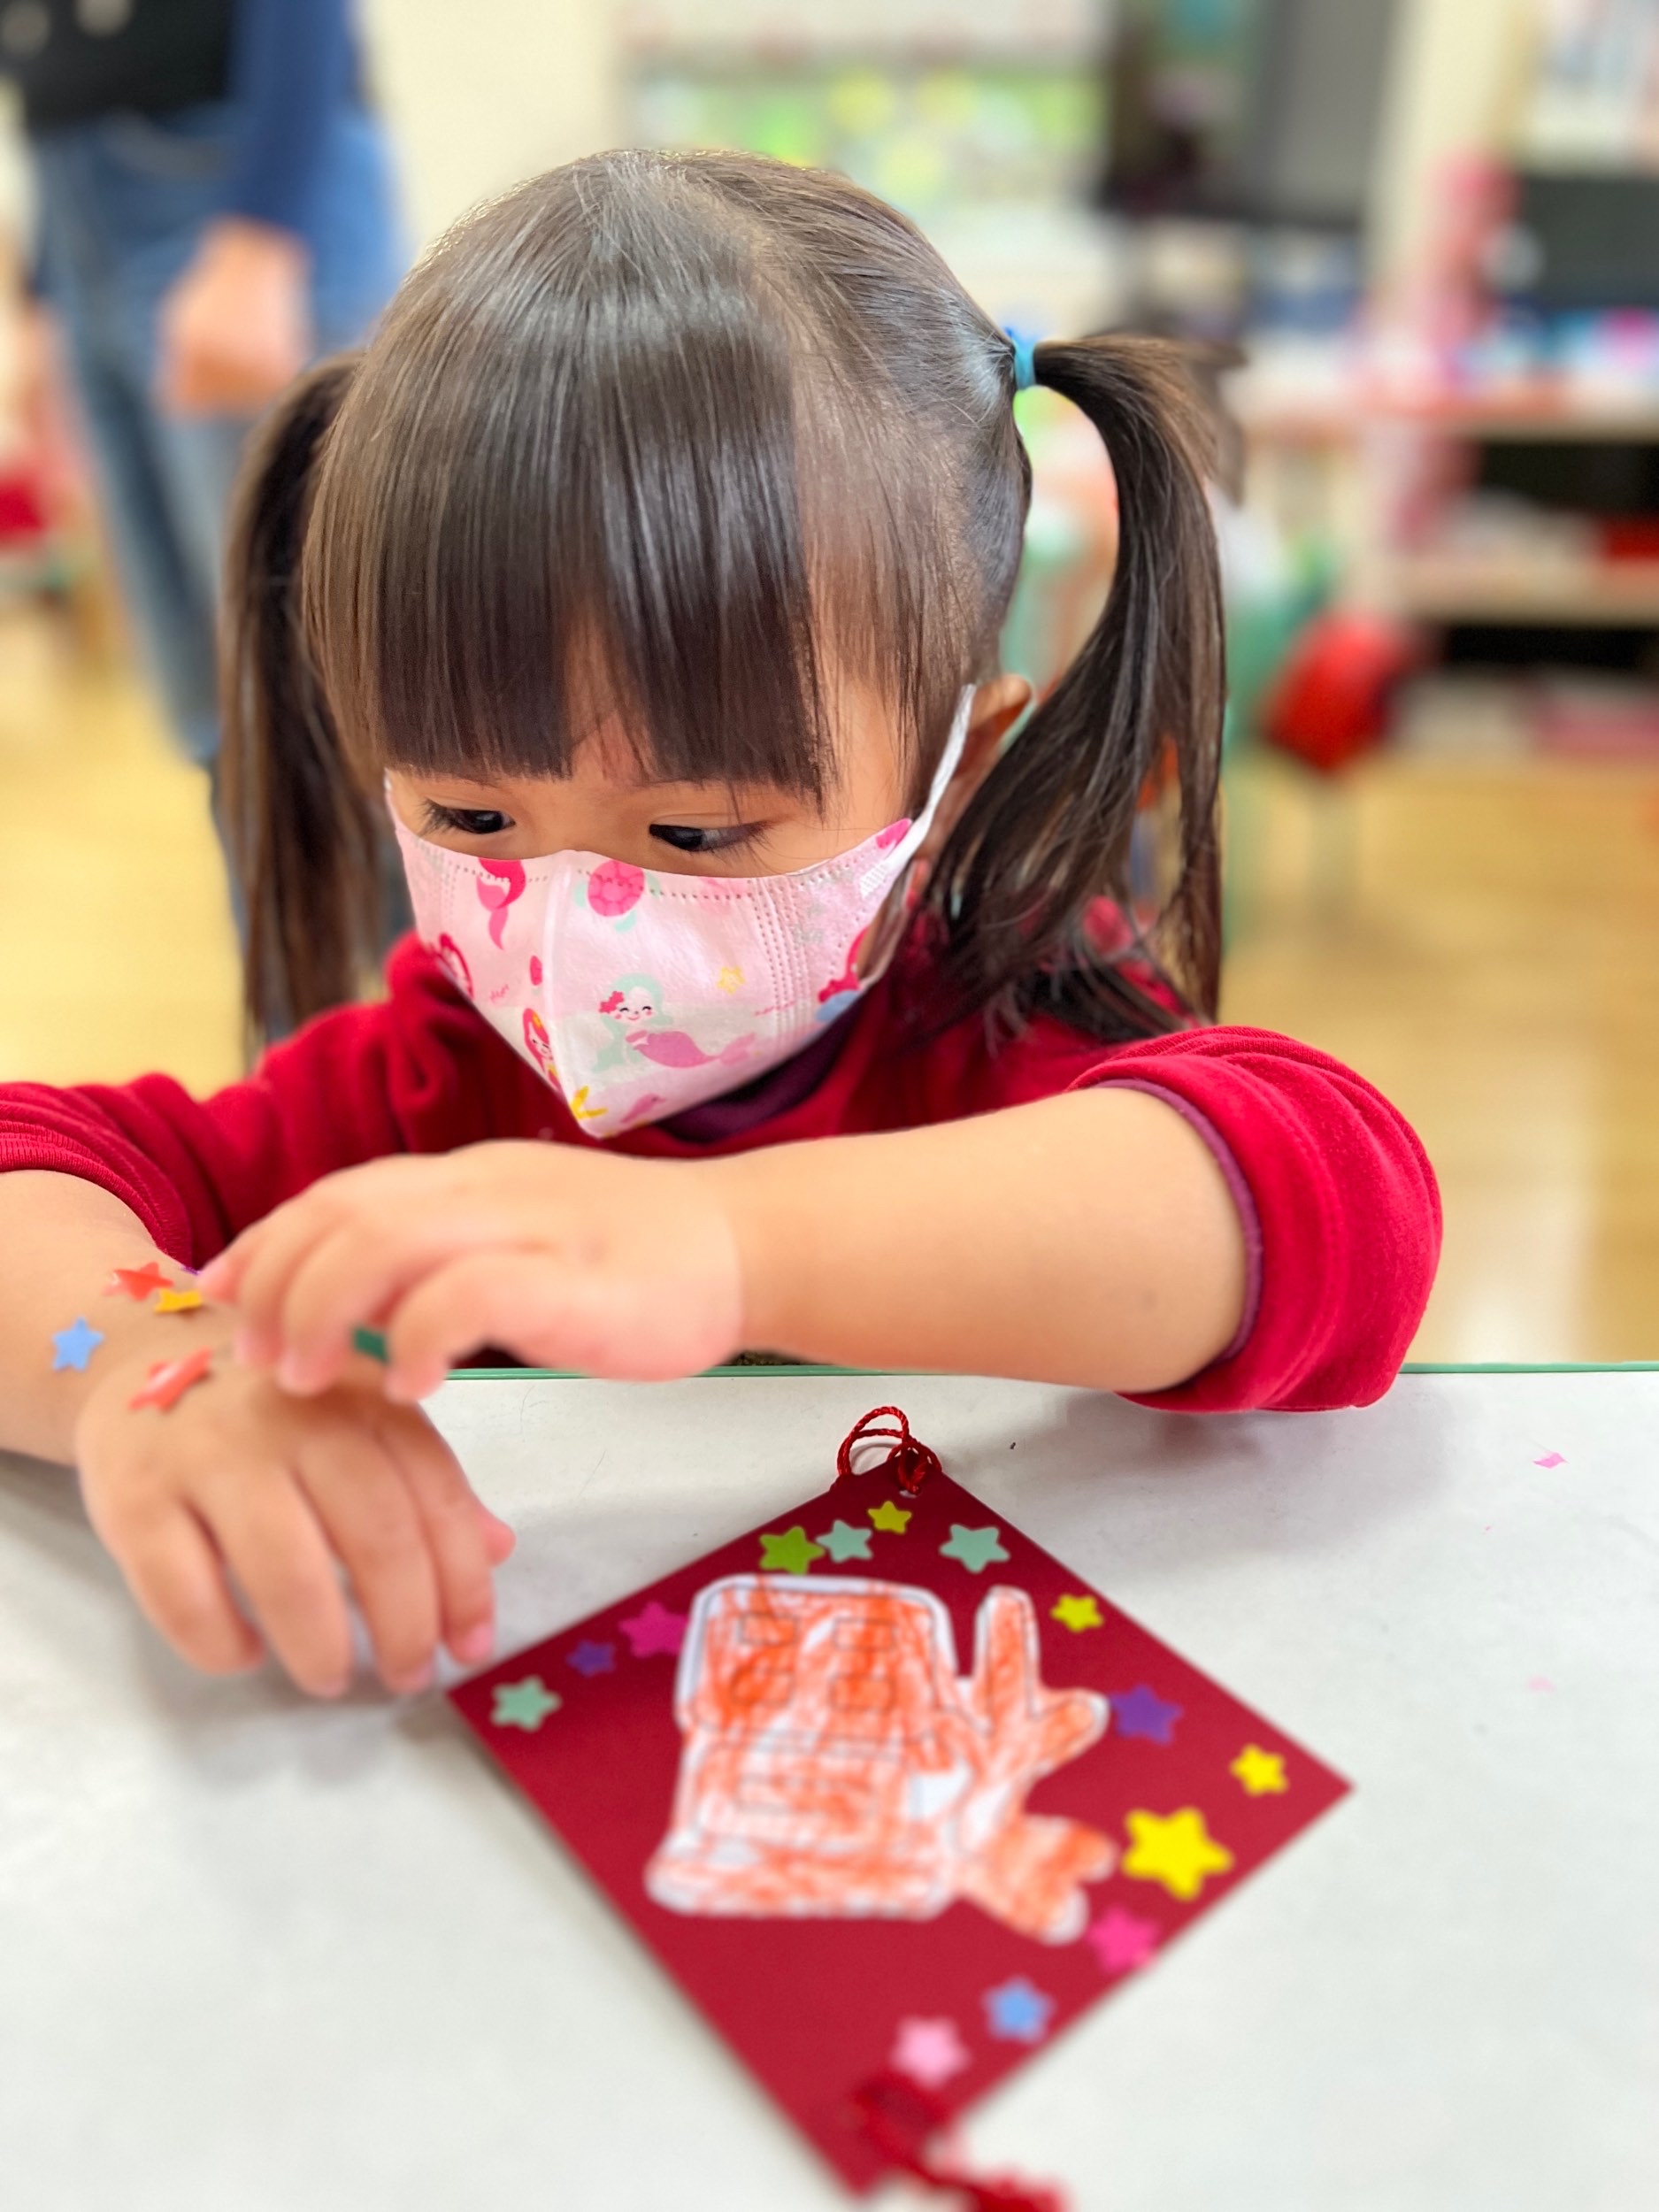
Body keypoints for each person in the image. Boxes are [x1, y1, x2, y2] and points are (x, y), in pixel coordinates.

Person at [0, 151, 1440, 1702]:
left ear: (953, 776)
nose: (572, 917)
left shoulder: (1008, 1014)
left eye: (694, 833)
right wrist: (145, 1366)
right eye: (470, 818)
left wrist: (727, 1248)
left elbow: (1338, 1208)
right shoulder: (429, 1081)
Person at [7, 0, 401, 800]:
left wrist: (262, 232)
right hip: (76, 193)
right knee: (208, 708)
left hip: (227, 165)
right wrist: (45, 293)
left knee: (322, 693)